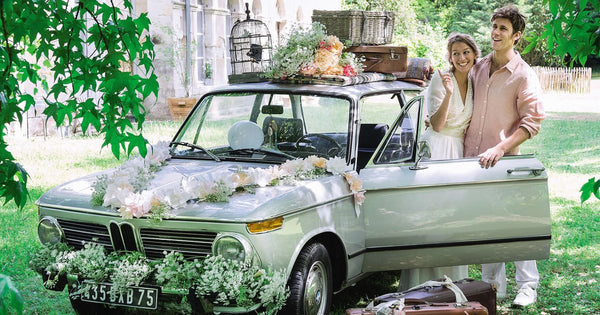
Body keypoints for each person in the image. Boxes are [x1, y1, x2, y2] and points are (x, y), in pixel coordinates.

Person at [463, 5, 545, 308]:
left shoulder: (524, 75)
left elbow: (532, 122)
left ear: (516, 36)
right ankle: (492, 287)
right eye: (494, 26)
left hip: (505, 164)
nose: (496, 33)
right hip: (472, 161)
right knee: (486, 226)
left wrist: (500, 148)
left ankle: (528, 287)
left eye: (503, 29)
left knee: (515, 225)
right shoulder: (478, 67)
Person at [399, 33, 480, 290]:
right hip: (436, 147)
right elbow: (437, 124)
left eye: (466, 52)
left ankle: (452, 284)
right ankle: (421, 283)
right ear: (450, 57)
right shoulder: (439, 78)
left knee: (454, 217)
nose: (461, 58)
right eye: (455, 53)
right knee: (429, 215)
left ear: (475, 54)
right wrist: (447, 93)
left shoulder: (477, 80)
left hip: (458, 151)